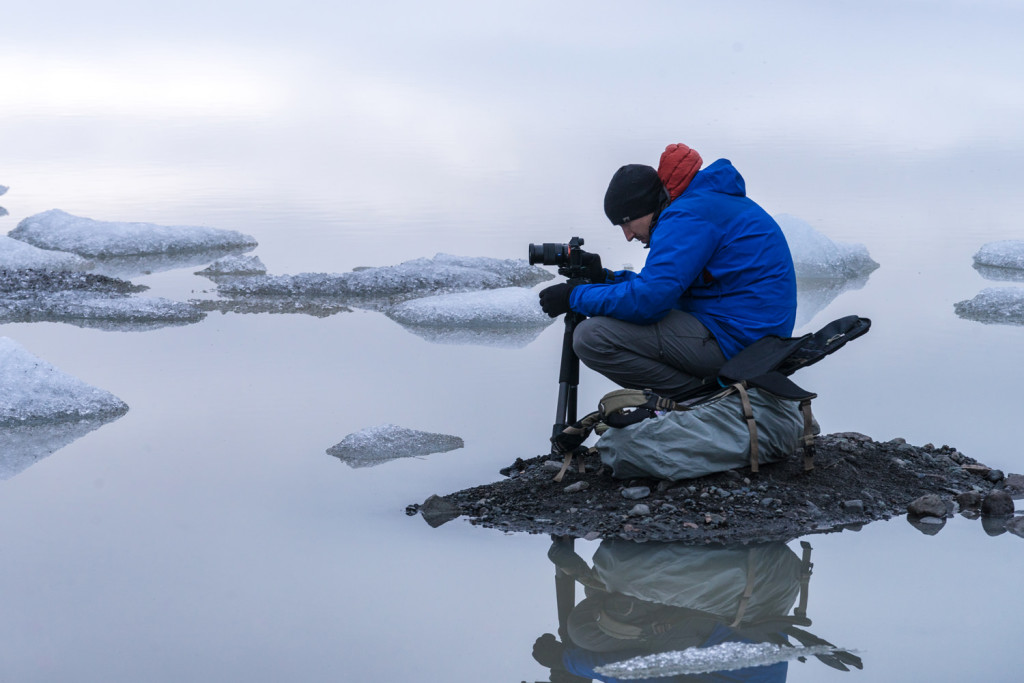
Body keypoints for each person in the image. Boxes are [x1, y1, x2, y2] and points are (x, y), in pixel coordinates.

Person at [539, 143, 797, 400]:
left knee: (592, 337)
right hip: (751, 336)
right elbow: (663, 288)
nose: (628, 236)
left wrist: (574, 296)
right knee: (610, 323)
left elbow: (649, 300)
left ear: (644, 208)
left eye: (626, 223)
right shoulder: (700, 204)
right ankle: (706, 399)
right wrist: (604, 279)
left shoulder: (687, 216)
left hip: (741, 344)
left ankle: (701, 402)